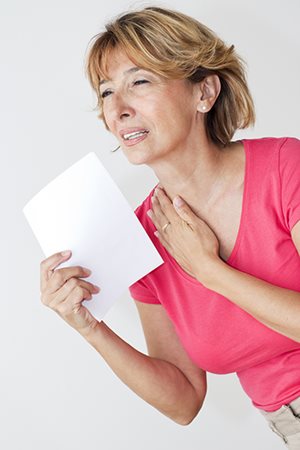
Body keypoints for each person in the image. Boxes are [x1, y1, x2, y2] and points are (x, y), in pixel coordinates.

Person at [39, 7, 300, 449]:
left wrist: (210, 270)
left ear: (204, 92)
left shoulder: (285, 167)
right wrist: (87, 326)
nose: (118, 109)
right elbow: (183, 400)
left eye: (139, 82)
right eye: (106, 92)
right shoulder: (139, 238)